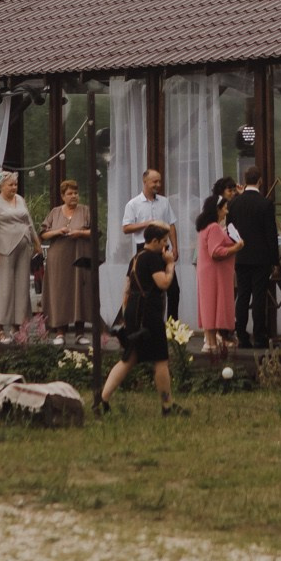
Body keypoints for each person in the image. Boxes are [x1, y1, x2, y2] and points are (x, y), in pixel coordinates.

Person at [98, 224, 186, 417]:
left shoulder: (136, 258)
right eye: (164, 242)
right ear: (154, 241)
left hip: (133, 310)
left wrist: (125, 314)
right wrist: (170, 265)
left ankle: (102, 400)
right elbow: (163, 283)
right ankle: (167, 406)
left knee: (129, 358)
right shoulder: (153, 259)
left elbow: (127, 287)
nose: (166, 247)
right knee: (161, 359)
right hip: (149, 313)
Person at [227, 165, 280, 348]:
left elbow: (229, 229)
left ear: (245, 179)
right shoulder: (265, 203)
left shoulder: (234, 203)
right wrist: (275, 260)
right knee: (259, 297)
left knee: (242, 295)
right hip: (261, 258)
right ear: (260, 180)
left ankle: (241, 334)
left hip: (240, 256)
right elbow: (270, 234)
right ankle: (259, 336)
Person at [0, 171, 39, 338]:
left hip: (23, 246)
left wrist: (36, 243)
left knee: (21, 286)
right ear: (1, 186)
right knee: (3, 287)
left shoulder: (20, 199)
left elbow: (28, 222)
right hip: (3, 249)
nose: (14, 187)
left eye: (15, 184)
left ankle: (18, 326)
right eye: (10, 185)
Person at [121, 169, 180, 320]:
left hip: (163, 249)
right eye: (155, 181)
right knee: (146, 289)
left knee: (173, 289)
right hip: (144, 249)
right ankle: (140, 321)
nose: (158, 185)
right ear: (145, 182)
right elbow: (126, 228)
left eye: (159, 181)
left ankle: (172, 326)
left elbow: (171, 225)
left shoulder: (164, 202)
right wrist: (147, 224)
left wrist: (175, 246)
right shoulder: (133, 204)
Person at [40, 177, 95, 331]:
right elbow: (43, 234)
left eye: (76, 193)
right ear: (63, 196)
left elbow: (95, 232)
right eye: (70, 193)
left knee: (81, 291)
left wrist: (81, 232)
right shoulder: (55, 212)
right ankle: (60, 332)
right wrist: (58, 231)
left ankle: (80, 331)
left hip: (79, 255)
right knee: (60, 292)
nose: (74, 196)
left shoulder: (85, 211)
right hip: (59, 259)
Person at [195, 192, 242, 352]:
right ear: (217, 209)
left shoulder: (205, 227)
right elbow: (215, 251)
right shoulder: (214, 227)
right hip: (214, 273)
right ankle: (212, 344)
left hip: (206, 272)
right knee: (214, 304)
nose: (226, 212)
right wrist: (236, 247)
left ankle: (210, 342)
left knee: (209, 304)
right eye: (225, 208)